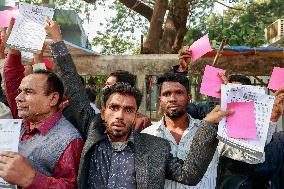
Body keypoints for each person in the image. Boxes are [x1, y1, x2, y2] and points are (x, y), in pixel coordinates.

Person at [45, 18, 234, 189]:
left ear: (136, 115)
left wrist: (208, 125)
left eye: (128, 110)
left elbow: (189, 175)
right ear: (103, 113)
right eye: (114, 108)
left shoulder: (154, 147)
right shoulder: (94, 130)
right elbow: (75, 89)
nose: (120, 115)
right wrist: (57, 40)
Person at [0, 19, 83, 188]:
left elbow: (70, 186)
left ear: (53, 99)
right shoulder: (22, 120)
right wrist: (14, 47)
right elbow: (11, 77)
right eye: (19, 91)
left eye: (28, 92)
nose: (18, 98)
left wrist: (31, 178)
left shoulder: (69, 140)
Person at [142, 72, 219, 189]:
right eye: (167, 94)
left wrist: (231, 95)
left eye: (179, 93)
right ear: (160, 99)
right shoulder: (147, 136)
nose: (172, 99)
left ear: (189, 97)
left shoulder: (213, 132)